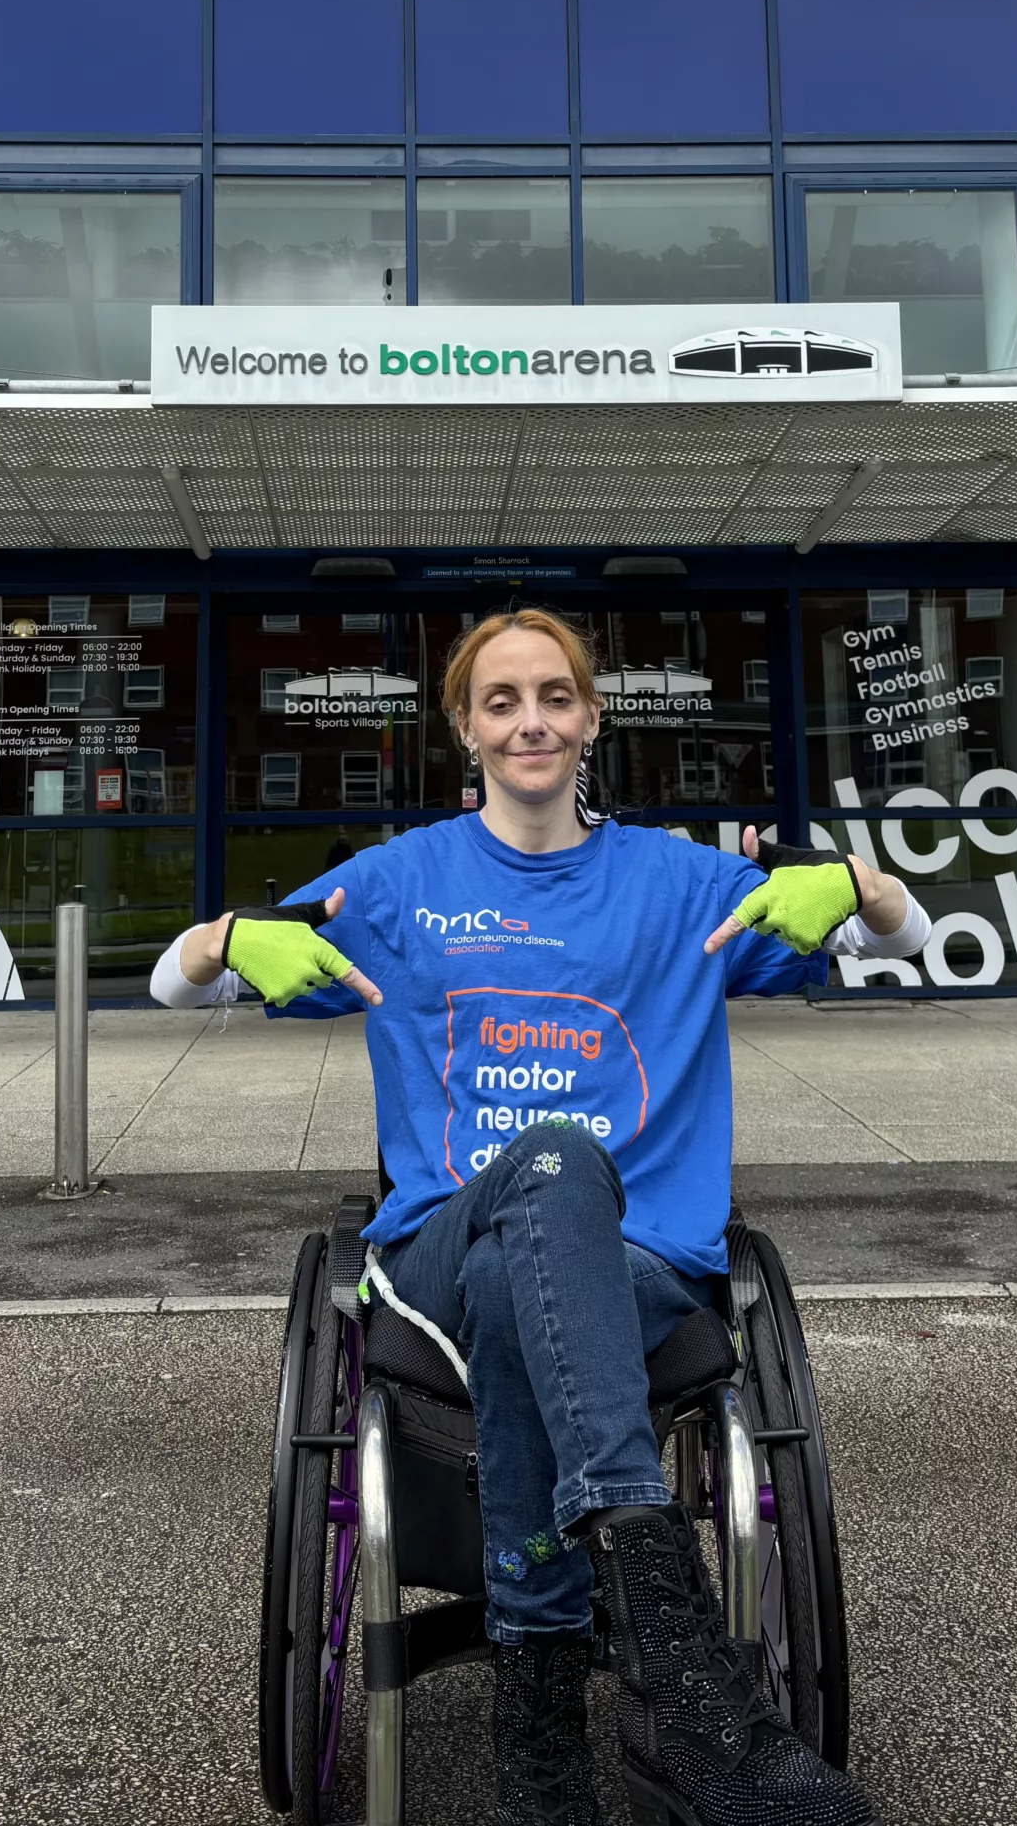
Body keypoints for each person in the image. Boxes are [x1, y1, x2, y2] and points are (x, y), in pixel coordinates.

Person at [153, 608, 930, 1826]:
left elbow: (911, 937)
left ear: (593, 715)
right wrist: (221, 938)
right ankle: (676, 1656)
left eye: (556, 695)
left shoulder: (684, 883)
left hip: (641, 1269)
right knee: (552, 1161)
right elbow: (166, 978)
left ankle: (542, 1737)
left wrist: (863, 883)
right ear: (463, 726)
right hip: (437, 1259)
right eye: (503, 699)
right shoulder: (399, 881)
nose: (532, 720)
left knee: (547, 1246)